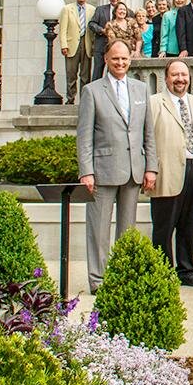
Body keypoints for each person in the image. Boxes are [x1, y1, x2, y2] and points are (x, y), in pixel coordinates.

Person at [75, 41, 156, 292]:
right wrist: (86, 171)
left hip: (134, 169)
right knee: (98, 230)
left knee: (128, 229)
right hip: (103, 170)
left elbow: (148, 132)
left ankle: (122, 276)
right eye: (115, 59)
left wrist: (151, 167)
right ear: (107, 60)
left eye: (124, 59)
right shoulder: (92, 91)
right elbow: (84, 136)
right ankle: (98, 280)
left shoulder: (141, 89)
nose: (120, 63)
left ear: (130, 60)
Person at [144, 60, 193, 286]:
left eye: (183, 75)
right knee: (164, 225)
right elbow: (147, 139)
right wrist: (149, 169)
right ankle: (162, 270)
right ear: (166, 78)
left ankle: (186, 269)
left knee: (189, 223)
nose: (180, 79)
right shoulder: (154, 103)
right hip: (167, 171)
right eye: (175, 75)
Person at [58, 0, 95, 104]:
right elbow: (63, 29)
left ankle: (85, 100)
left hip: (87, 43)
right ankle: (70, 98)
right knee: (71, 73)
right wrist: (64, 45)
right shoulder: (67, 9)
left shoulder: (92, 9)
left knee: (85, 75)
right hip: (72, 44)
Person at [88, 0, 123, 78]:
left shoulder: (126, 11)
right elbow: (92, 24)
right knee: (97, 72)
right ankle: (95, 92)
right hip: (101, 46)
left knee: (114, 73)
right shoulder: (100, 9)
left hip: (118, 48)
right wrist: (102, 30)